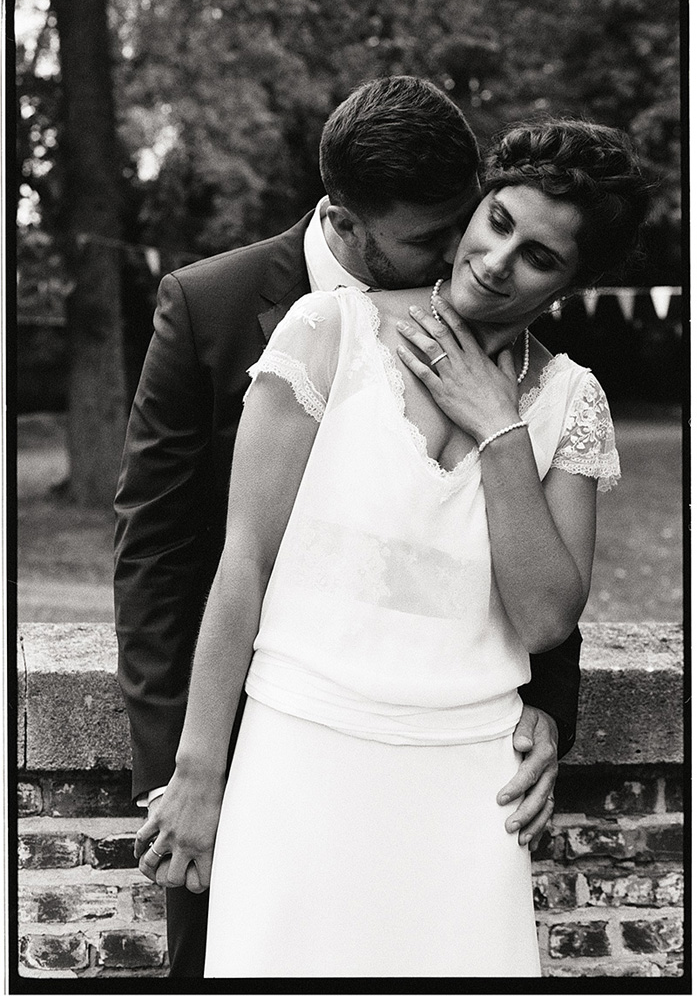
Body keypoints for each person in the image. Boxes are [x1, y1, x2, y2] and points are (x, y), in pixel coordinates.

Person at [133, 115, 648, 978]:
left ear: (570, 284)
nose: (494, 260)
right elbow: (242, 564)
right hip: (295, 757)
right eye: (498, 221)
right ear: (474, 206)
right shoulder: (325, 333)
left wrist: (499, 430)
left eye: (539, 257)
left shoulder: (571, 400)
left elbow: (545, 617)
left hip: (468, 785)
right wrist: (198, 771)